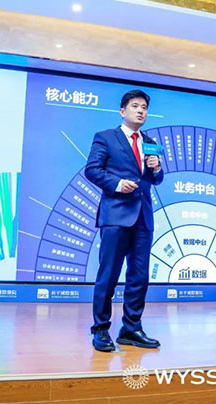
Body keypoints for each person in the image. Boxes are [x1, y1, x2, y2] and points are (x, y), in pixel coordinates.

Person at [84, 89, 164, 352]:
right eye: (135, 106)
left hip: (143, 217)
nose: (140, 111)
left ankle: (131, 329)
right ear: (122, 111)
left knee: (139, 276)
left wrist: (157, 168)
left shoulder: (150, 142)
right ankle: (100, 329)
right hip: (116, 215)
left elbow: (156, 179)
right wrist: (117, 184)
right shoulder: (105, 137)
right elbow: (92, 170)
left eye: (144, 107)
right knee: (108, 274)